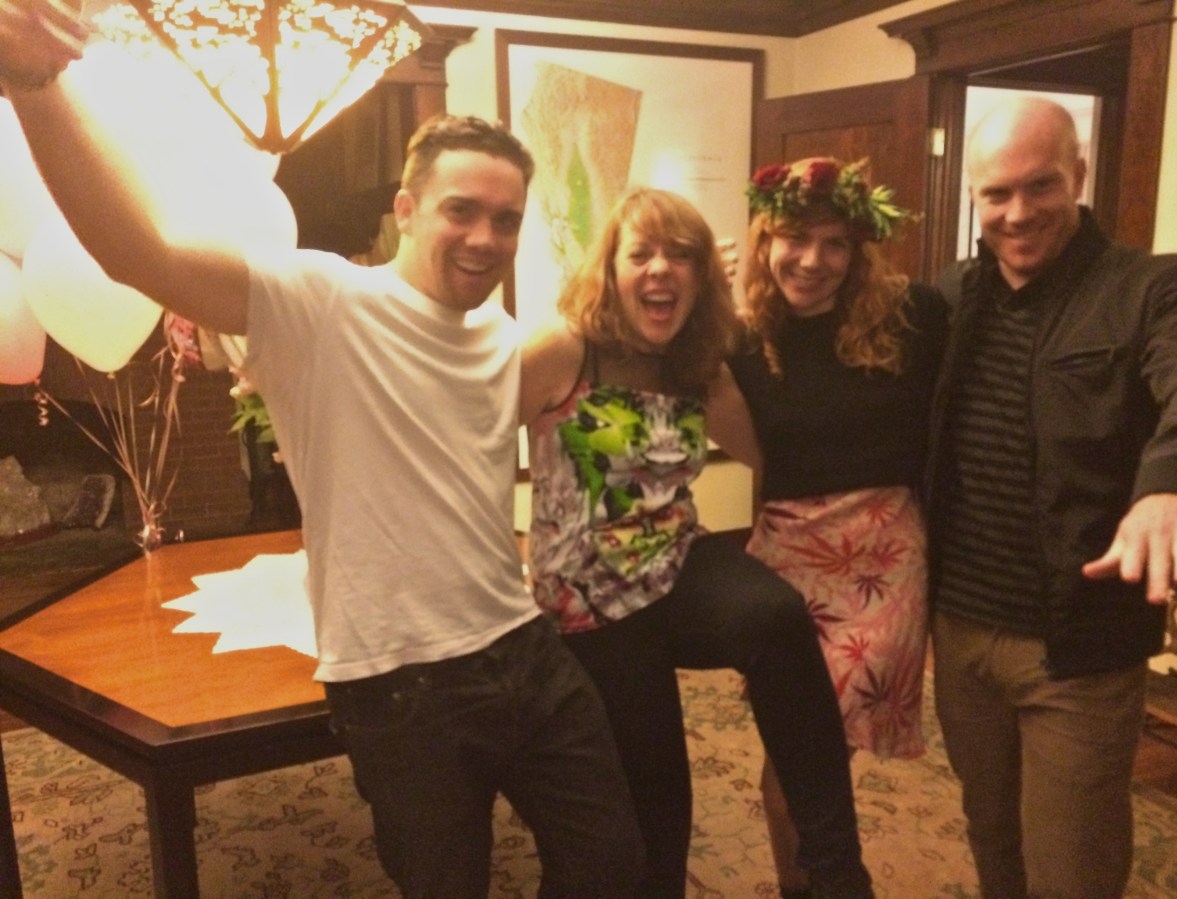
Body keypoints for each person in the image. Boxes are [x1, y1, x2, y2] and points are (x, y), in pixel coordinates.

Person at [0, 7, 647, 898]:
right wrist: (35, 84)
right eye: (461, 210)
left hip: (524, 648)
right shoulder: (320, 299)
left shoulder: (505, 337)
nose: (484, 237)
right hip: (400, 687)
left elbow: (616, 351)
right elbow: (137, 253)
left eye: (506, 219)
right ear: (406, 209)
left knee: (613, 864)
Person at [520, 186, 875, 899]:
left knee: (777, 616)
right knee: (659, 810)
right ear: (610, 269)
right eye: (641, 254)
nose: (661, 269)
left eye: (681, 255)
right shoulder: (564, 349)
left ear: (701, 275)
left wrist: (851, 525)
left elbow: (771, 456)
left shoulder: (696, 363)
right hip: (592, 598)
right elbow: (463, 443)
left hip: (676, 560)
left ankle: (836, 870)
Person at [927, 95, 1177, 899]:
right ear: (973, 196)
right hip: (960, 631)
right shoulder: (950, 296)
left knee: (1071, 862)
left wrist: (1172, 482)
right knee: (991, 831)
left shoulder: (1155, 288)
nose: (1017, 213)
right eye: (996, 193)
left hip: (1077, 648)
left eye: (1040, 185)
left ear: (1079, 175)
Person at [729, 157, 947, 899]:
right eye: (795, 238)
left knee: (811, 755)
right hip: (788, 562)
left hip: (884, 559)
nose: (812, 260)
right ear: (765, 239)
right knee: (787, 756)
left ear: (858, 251)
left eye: (835, 244)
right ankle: (808, 885)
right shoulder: (741, 338)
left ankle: (827, 880)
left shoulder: (915, 317)